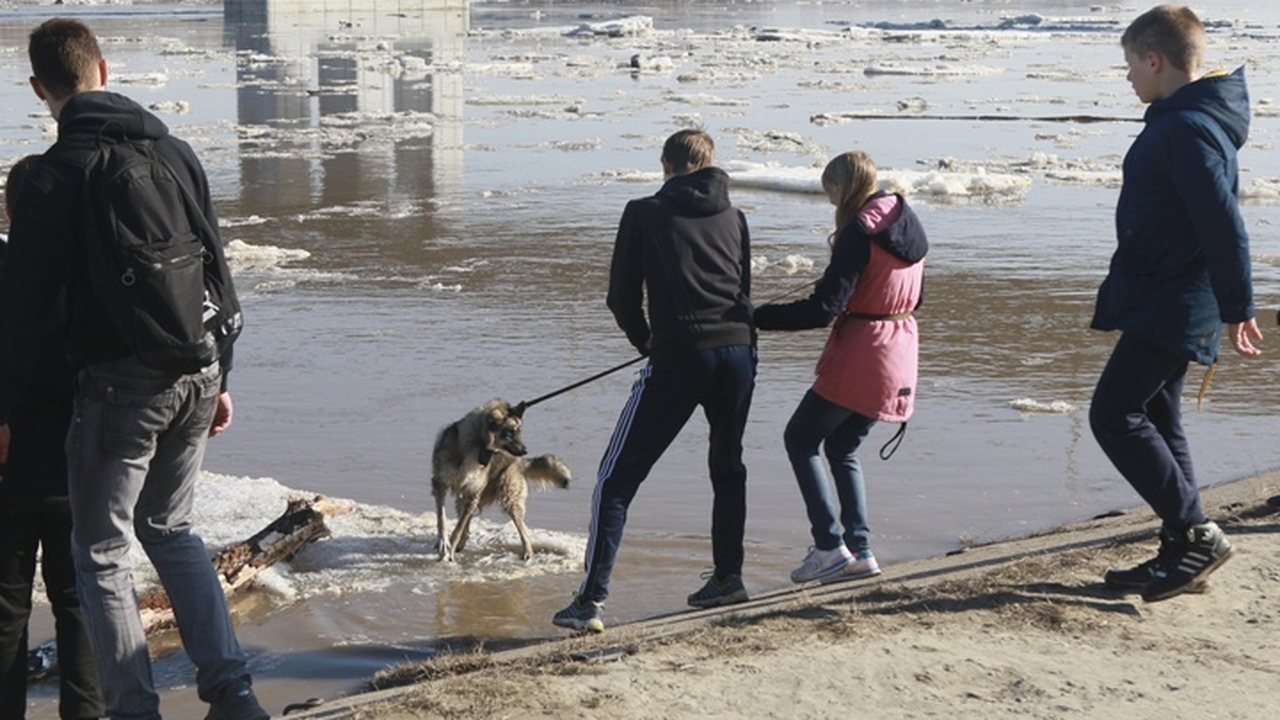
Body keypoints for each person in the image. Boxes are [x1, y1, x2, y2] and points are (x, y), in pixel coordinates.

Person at [0, 19, 267, 719]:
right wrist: (223, 376)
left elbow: (23, 313)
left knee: (100, 552)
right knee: (172, 530)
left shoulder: (57, 174)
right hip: (199, 367)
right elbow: (218, 269)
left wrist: (1, 411)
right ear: (106, 70)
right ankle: (234, 694)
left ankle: (133, 711)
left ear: (39, 90)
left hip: (123, 386)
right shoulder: (175, 153)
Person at [552, 129, 757, 632]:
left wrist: (647, 344)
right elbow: (743, 290)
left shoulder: (642, 212)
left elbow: (621, 298)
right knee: (727, 467)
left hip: (680, 358)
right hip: (738, 353)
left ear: (666, 164)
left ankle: (590, 600)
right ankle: (728, 577)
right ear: (709, 164)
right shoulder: (735, 216)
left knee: (615, 480)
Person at [1090, 4, 1262, 603]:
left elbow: (1223, 222)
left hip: (1178, 296)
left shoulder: (1186, 128)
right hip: (1168, 290)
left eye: (1131, 64)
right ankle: (1180, 548)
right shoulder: (1181, 118)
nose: (1129, 77)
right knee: (1160, 417)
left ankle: (1196, 534)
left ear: (1155, 60)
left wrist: (1239, 303)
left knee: (1113, 413)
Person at [754, 151, 927, 585]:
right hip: (901, 350)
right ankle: (861, 550)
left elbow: (822, 310)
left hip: (863, 353)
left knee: (800, 438)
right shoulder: (904, 218)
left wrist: (754, 317)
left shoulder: (858, 230)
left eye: (829, 191)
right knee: (843, 446)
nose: (829, 201)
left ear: (841, 187)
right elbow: (912, 295)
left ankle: (830, 547)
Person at [0, 155, 105, 720]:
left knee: (4, 608)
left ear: (10, 209)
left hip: (7, 466)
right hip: (77, 463)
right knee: (79, 602)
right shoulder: (87, 276)